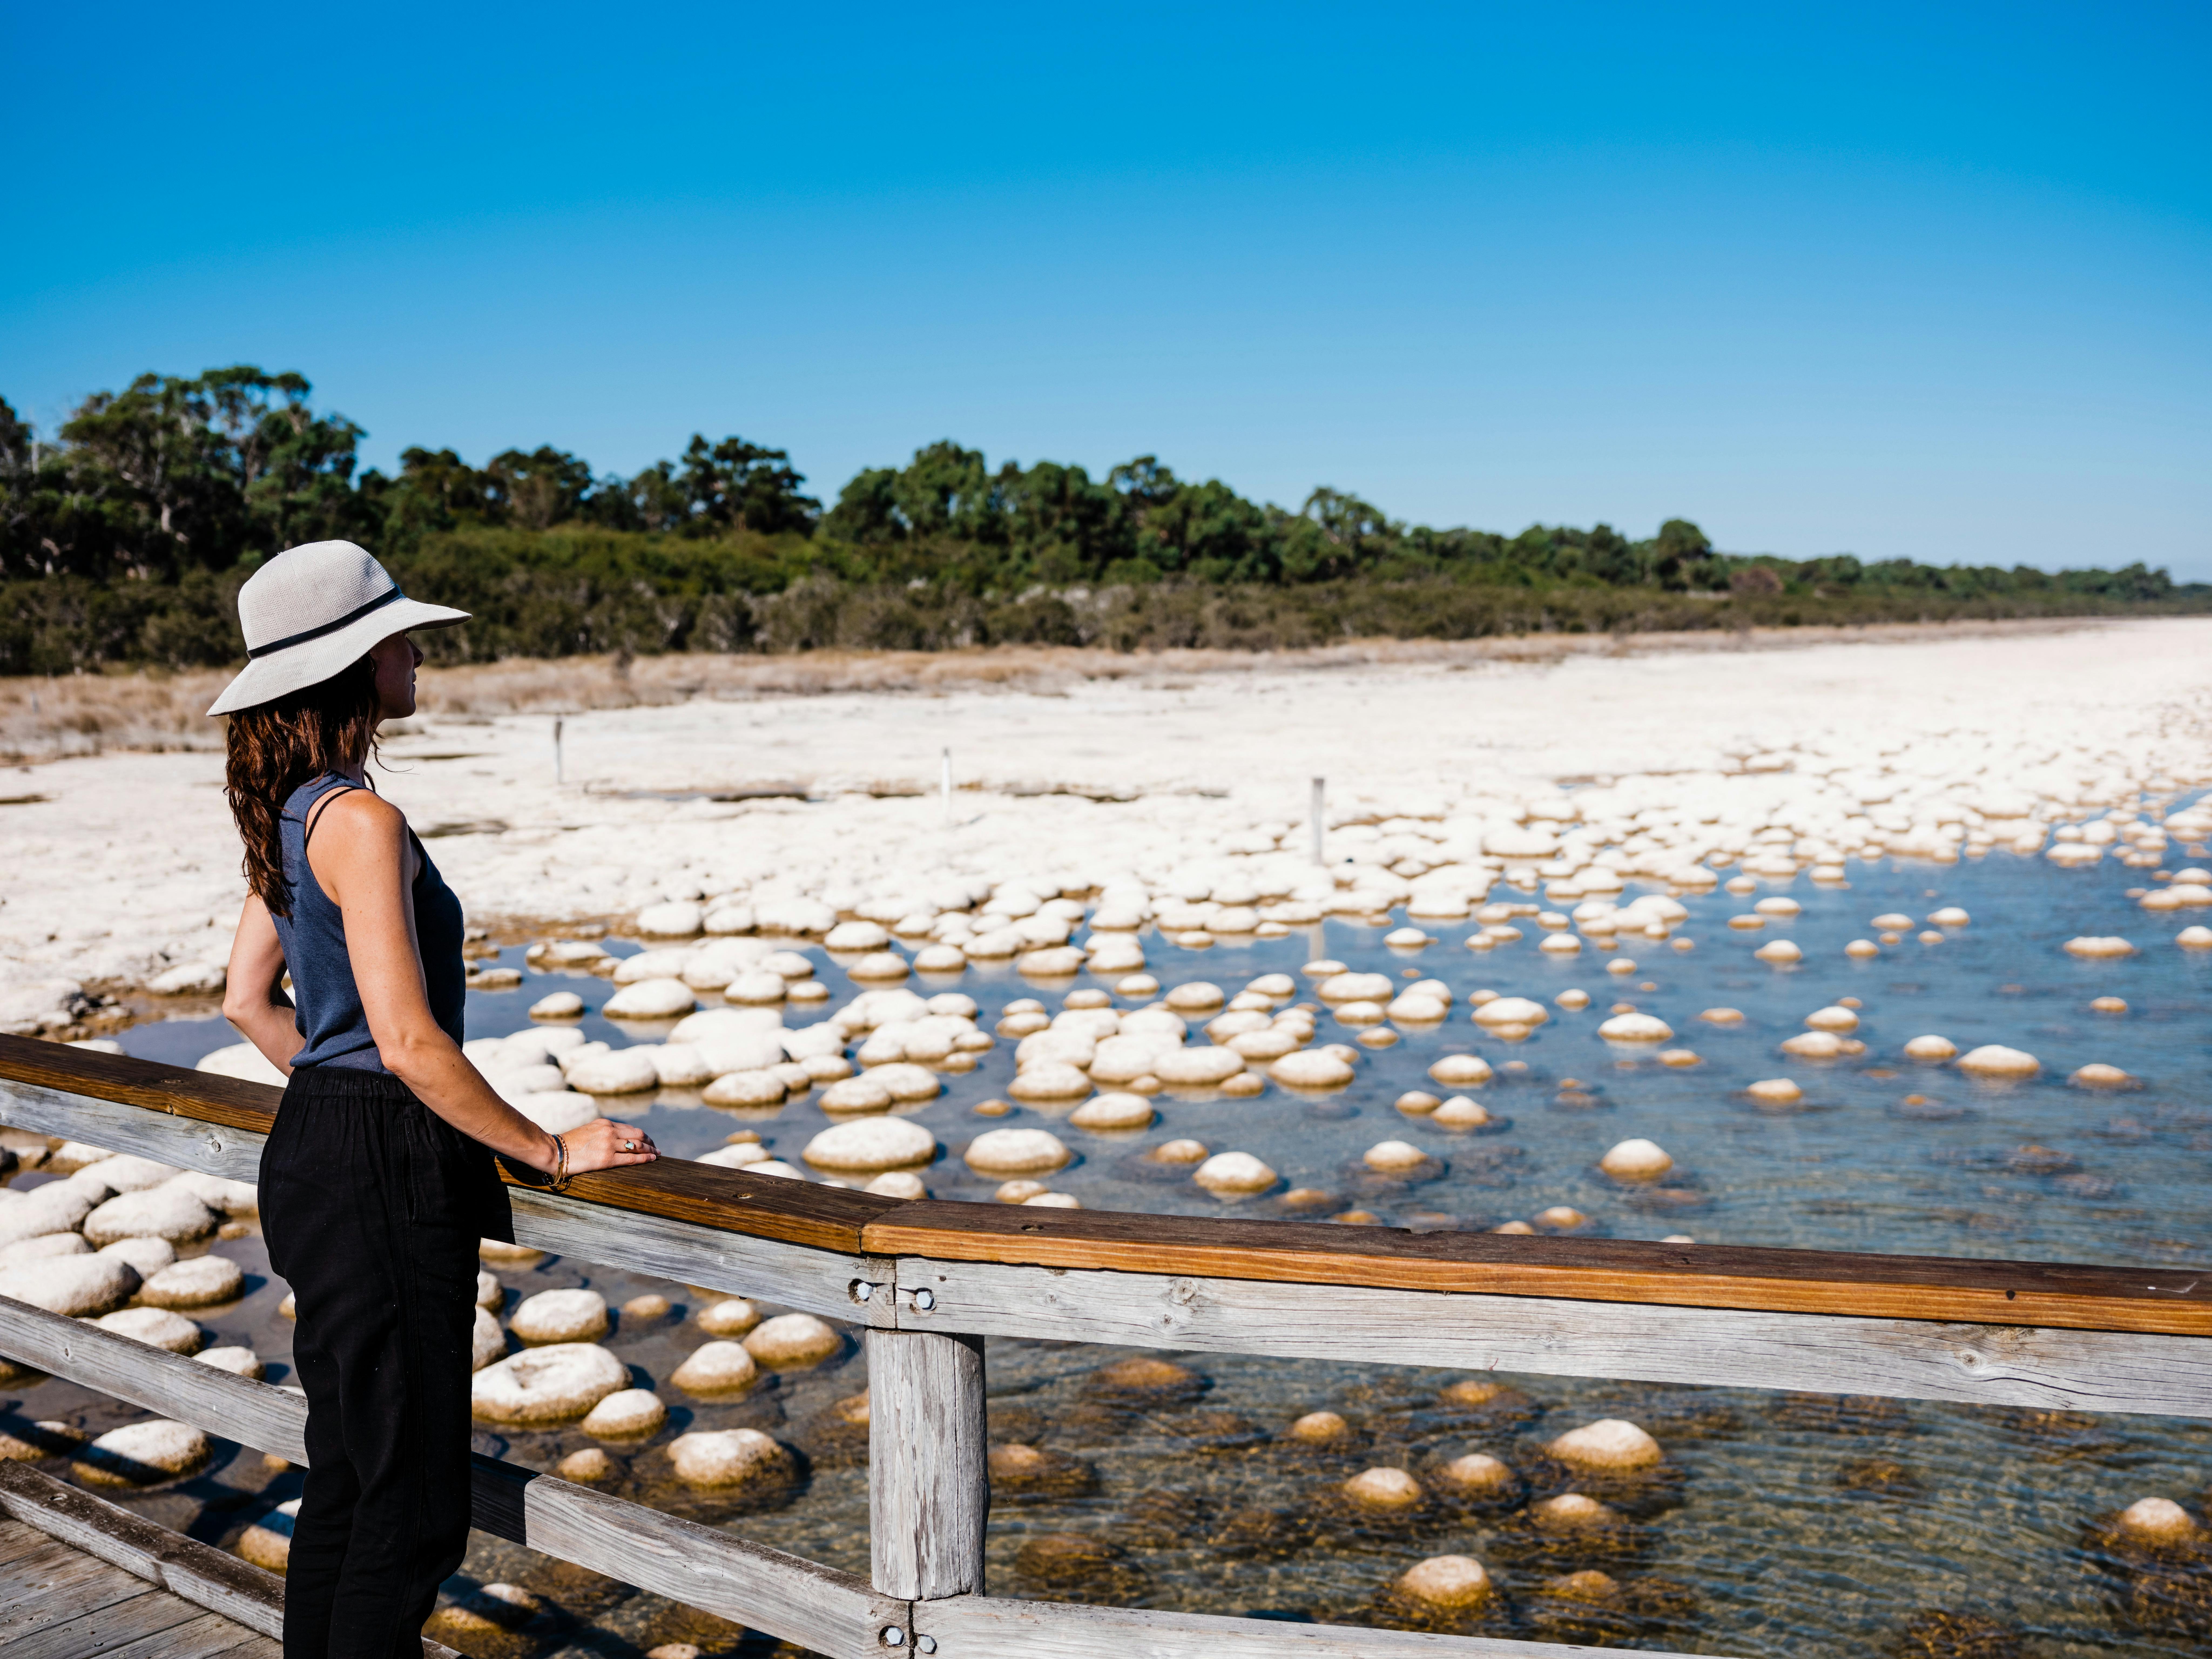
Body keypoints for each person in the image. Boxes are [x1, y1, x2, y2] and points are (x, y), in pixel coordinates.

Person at [209, 540, 657, 1658]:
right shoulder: (359, 822)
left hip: (316, 1149)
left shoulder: (292, 813)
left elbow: (245, 1004)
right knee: (410, 1508)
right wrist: (549, 1148)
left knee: (354, 1474)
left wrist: (331, 1094)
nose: (417, 654)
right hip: (380, 1166)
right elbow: (410, 1042)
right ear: (354, 664)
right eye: (400, 637)